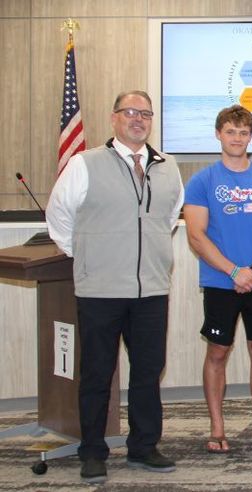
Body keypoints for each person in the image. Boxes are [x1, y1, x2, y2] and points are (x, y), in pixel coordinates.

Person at [46, 90, 184, 484]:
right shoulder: (83, 164)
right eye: (130, 112)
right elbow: (59, 218)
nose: (138, 119)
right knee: (97, 373)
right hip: (100, 290)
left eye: (145, 113)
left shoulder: (167, 166)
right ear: (114, 118)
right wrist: (89, 255)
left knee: (147, 371)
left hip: (152, 289)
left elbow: (170, 217)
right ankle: (93, 451)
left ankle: (144, 446)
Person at [184, 105, 252, 453]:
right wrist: (233, 271)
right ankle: (217, 428)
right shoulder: (201, 181)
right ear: (218, 134)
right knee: (218, 351)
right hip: (219, 282)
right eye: (230, 132)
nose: (237, 138)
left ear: (251, 136)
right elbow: (197, 236)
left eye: (243, 133)